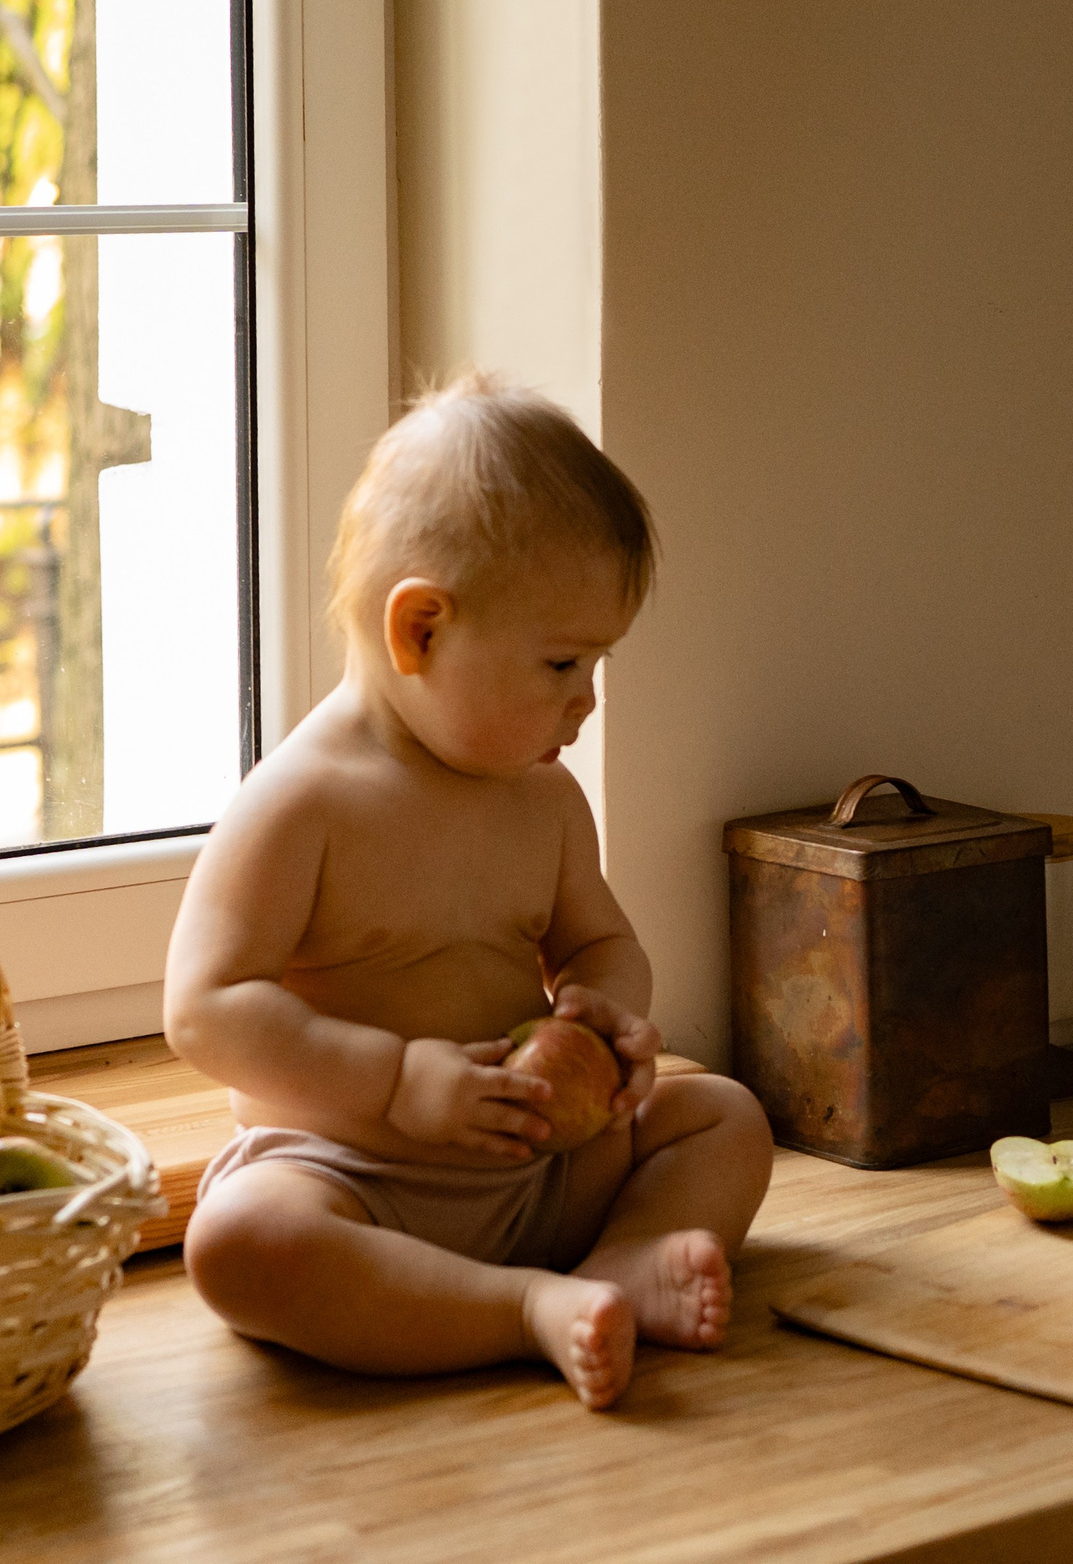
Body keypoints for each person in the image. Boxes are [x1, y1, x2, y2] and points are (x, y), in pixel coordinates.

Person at [167, 374, 773, 1412]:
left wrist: (607, 1013)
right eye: (561, 663)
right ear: (421, 631)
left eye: (596, 663)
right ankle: (520, 1309)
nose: (587, 701)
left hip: (542, 1163)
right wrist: (393, 1081)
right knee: (239, 1241)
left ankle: (621, 1263)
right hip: (355, 1176)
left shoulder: (542, 798)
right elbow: (205, 1010)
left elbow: (598, 943)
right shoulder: (301, 805)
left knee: (725, 1118)